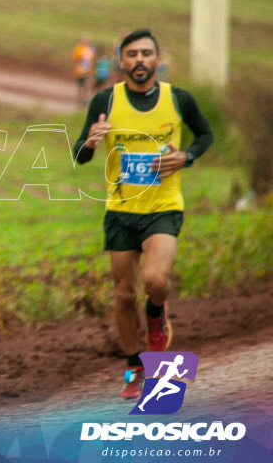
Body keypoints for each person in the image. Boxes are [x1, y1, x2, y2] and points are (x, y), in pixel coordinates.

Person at [73, 28, 213, 402]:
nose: (139, 60)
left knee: (154, 279)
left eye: (146, 54)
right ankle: (134, 367)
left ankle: (156, 312)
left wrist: (187, 156)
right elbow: (79, 154)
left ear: (157, 59)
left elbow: (204, 135)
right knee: (122, 295)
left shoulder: (178, 99)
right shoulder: (106, 99)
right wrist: (89, 142)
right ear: (121, 61)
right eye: (132, 54)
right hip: (120, 210)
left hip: (163, 207)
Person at [72, 34, 97, 106]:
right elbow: (75, 59)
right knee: (80, 86)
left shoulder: (91, 50)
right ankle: (80, 101)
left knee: (87, 85)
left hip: (88, 71)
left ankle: (85, 100)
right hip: (80, 71)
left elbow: (93, 60)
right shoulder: (79, 49)